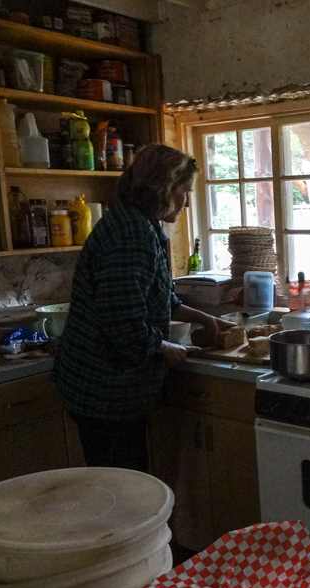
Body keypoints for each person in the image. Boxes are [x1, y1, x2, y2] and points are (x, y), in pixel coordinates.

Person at [53, 144, 234, 472]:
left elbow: (159, 297)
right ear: (164, 189)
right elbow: (124, 323)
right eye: (184, 192)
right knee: (124, 494)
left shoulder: (138, 223)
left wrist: (204, 318)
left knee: (128, 485)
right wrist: (165, 347)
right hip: (104, 392)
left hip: (109, 390)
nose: (187, 201)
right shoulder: (132, 235)